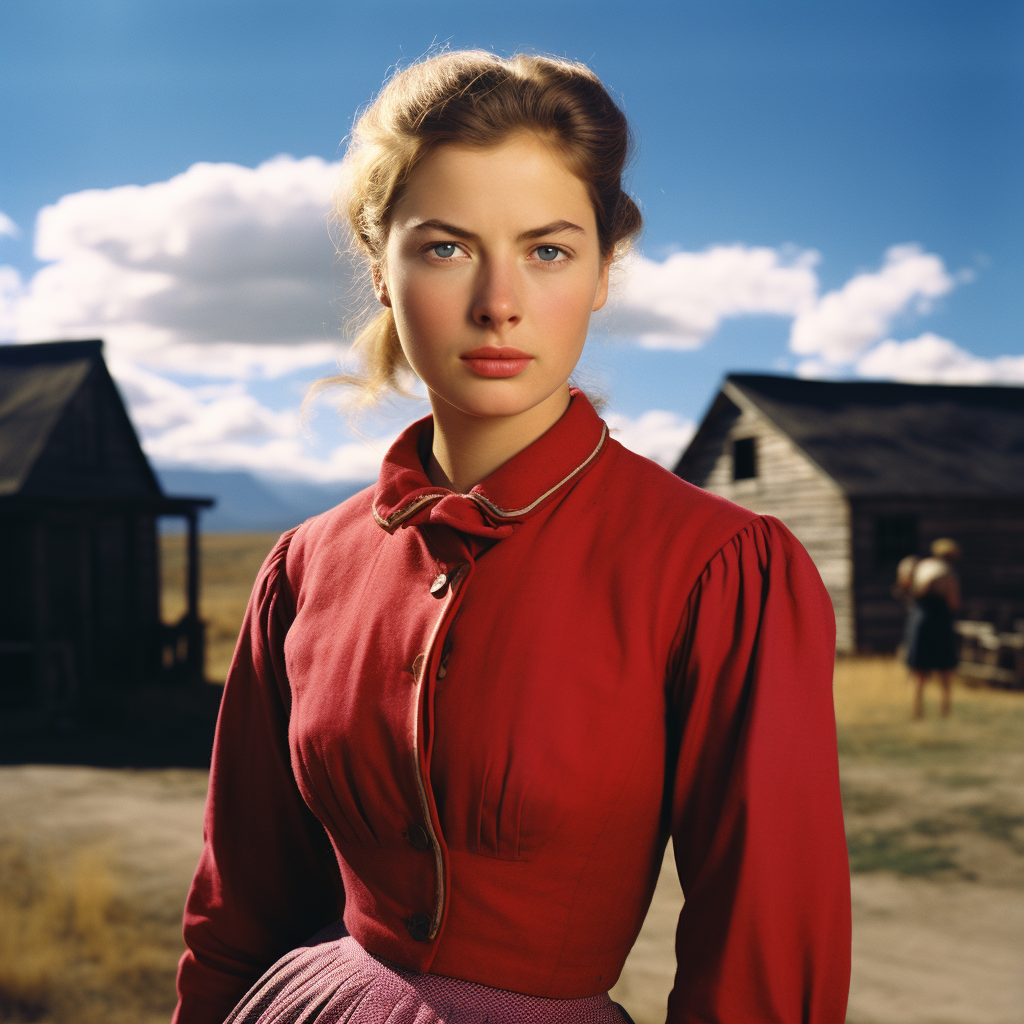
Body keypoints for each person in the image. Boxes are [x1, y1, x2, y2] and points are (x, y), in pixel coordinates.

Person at [173, 51, 851, 1024]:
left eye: (547, 250)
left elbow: (764, 956)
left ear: (605, 268)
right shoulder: (304, 566)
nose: (499, 301)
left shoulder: (719, 568)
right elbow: (241, 902)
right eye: (446, 246)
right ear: (380, 265)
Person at [904, 538, 962, 719]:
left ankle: (917, 712)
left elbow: (911, 591)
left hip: (919, 619)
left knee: (919, 669)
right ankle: (945, 711)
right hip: (939, 621)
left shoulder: (923, 566)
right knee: (945, 669)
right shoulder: (947, 573)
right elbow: (953, 602)